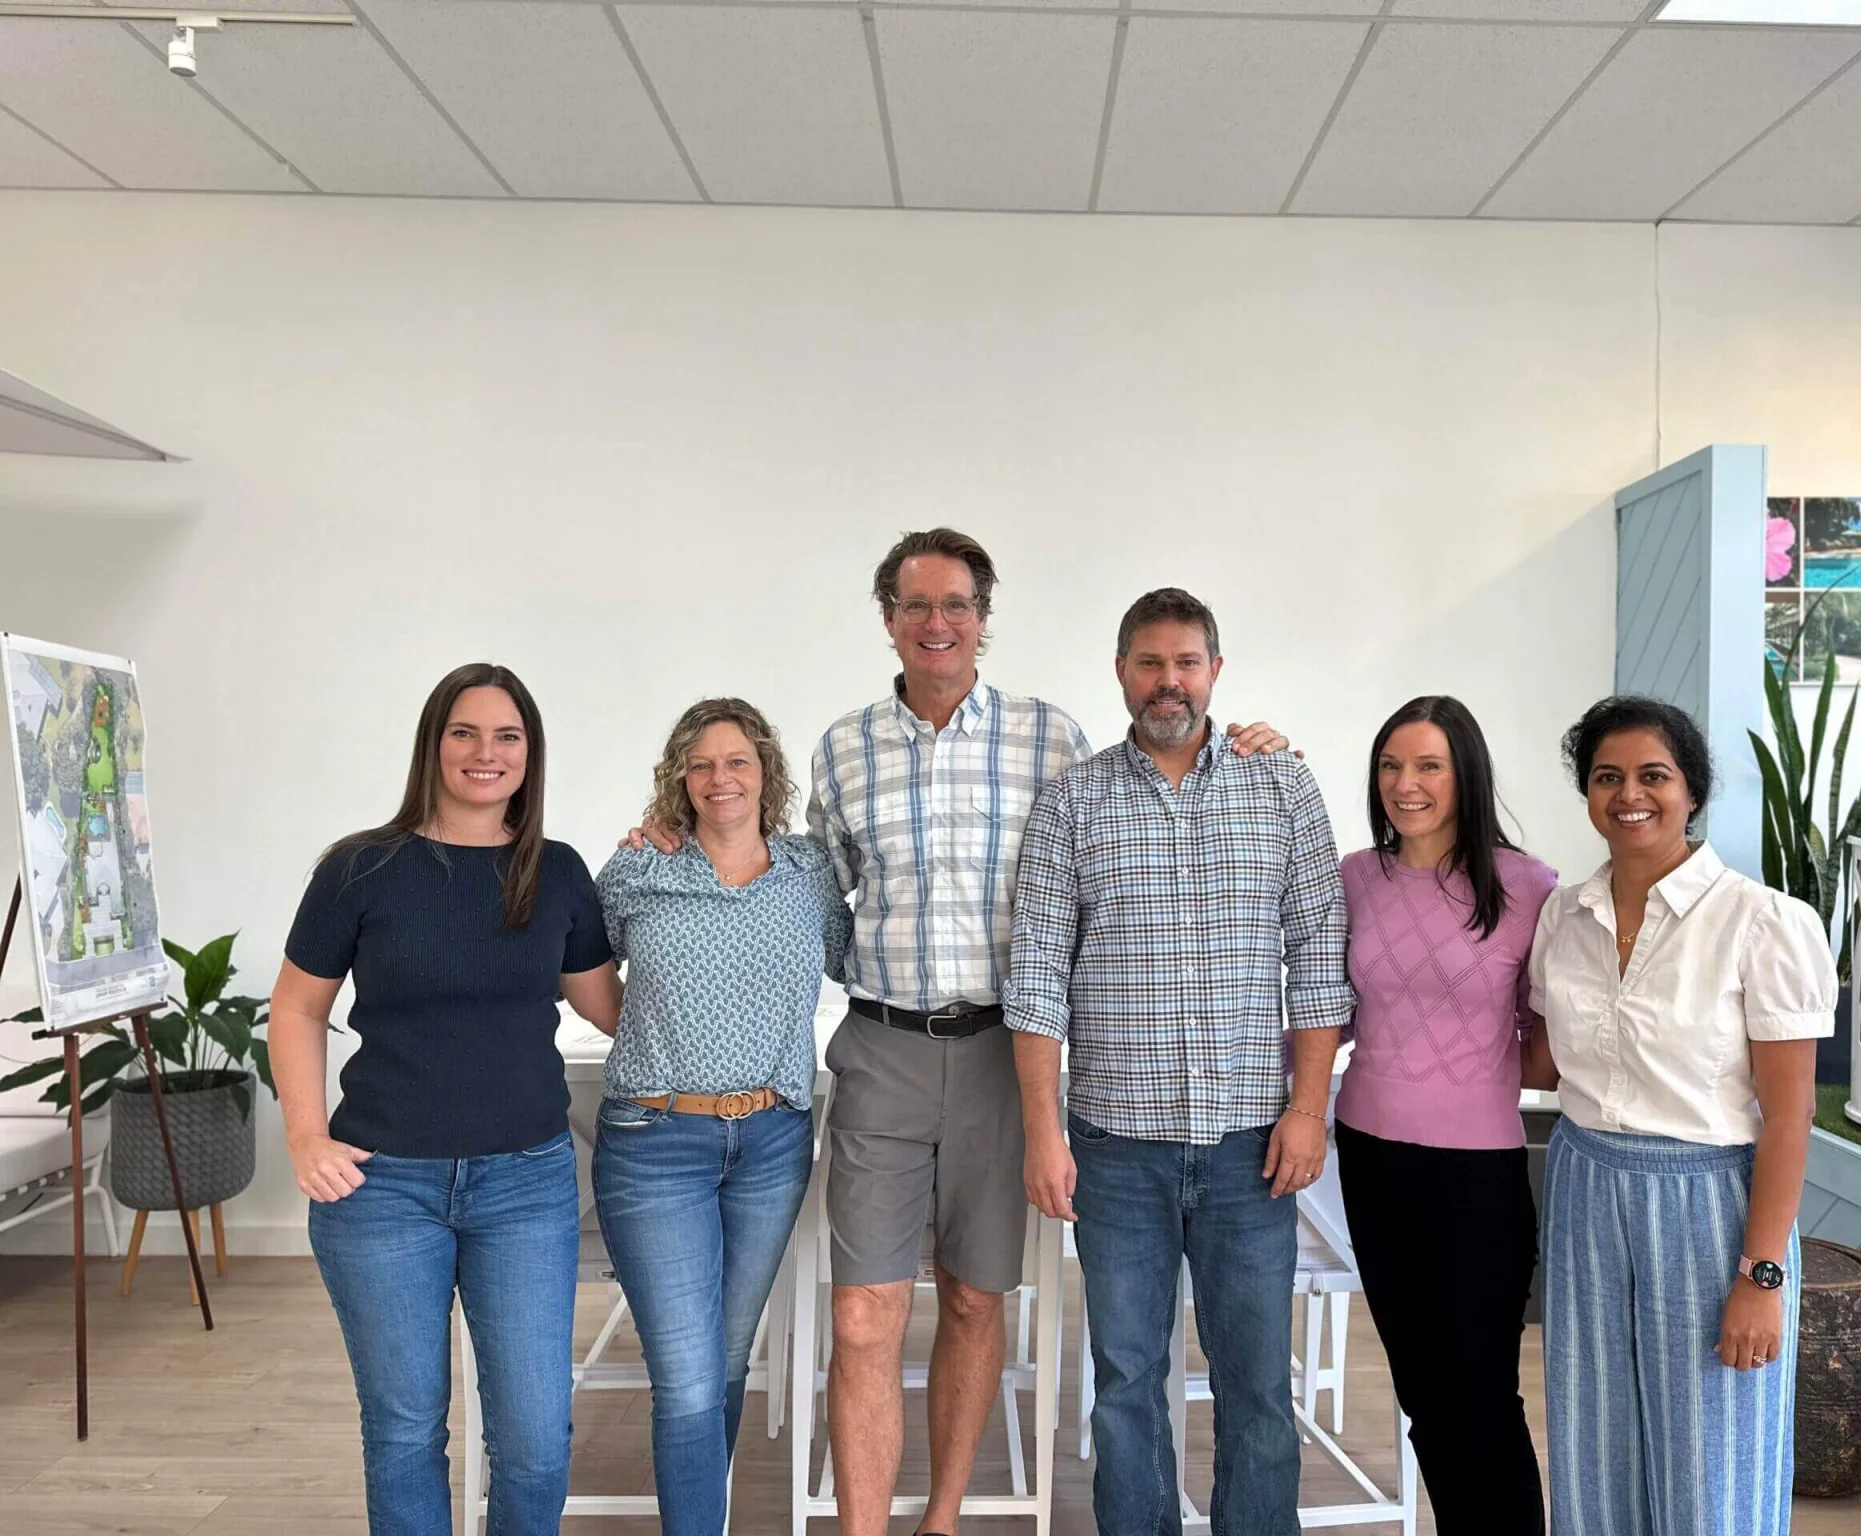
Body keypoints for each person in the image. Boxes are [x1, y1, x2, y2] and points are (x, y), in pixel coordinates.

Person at [628, 531, 1290, 1534]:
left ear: (984, 616)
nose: (935, 624)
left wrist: (1247, 745)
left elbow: (1122, 831)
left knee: (978, 1304)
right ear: (887, 618)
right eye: (913, 605)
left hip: (1002, 1058)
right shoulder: (840, 750)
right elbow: (812, 881)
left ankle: (937, 1519)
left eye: (956, 605)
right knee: (862, 1316)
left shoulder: (1052, 739)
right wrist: (672, 829)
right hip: (883, 1050)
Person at [1006, 587, 1352, 1536]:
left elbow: (1320, 952)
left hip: (1252, 1144)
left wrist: (1308, 1108)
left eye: (1187, 663)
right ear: (1122, 671)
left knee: (1256, 1383)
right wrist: (1045, 1131)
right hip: (1116, 1148)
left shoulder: (1281, 785)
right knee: (1125, 1380)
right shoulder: (1073, 799)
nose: (1169, 682)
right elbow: (1036, 968)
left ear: (1216, 671)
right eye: (1150, 663)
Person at [269, 663, 622, 1536]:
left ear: (530, 754)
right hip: (382, 1188)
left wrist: (676, 870)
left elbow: (610, 1008)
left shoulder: (561, 873)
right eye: (464, 732)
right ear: (433, 744)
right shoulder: (362, 869)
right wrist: (306, 1138)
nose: (484, 753)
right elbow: (298, 1006)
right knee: (403, 1432)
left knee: (536, 1440)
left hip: (526, 1186)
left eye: (507, 735)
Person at [1526, 696, 1833, 1536]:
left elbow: (1790, 1117)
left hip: (1709, 1206)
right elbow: (1541, 1063)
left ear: (1692, 790)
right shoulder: (1565, 915)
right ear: (1587, 793)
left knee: (1714, 1470)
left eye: (1653, 776)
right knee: (1593, 1455)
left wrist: (1761, 1276)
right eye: (1607, 777)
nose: (1631, 795)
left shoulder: (1760, 923)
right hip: (1586, 1187)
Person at [591, 697, 852, 1536]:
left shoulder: (809, 872)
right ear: (679, 779)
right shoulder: (639, 870)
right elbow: (577, 969)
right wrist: (653, 1026)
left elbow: (861, 960)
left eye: (736, 761)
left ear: (766, 772)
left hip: (774, 1140)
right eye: (700, 764)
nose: (719, 778)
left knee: (728, 1360)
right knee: (690, 1378)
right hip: (653, 1141)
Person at [1334, 695, 1554, 1536]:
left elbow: (1551, 1033)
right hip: (1370, 1157)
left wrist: (1484, 1073)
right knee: (1425, 1395)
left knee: (1481, 1396)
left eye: (1428, 766)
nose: (1405, 784)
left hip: (1478, 1175)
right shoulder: (1356, 876)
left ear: (1466, 774)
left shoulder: (1528, 885)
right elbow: (1331, 1011)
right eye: (1391, 766)